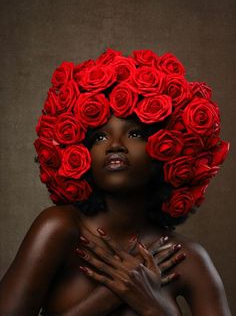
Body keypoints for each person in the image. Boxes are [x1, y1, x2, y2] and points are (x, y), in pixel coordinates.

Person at [0, 48, 232, 316]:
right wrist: (110, 296)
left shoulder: (186, 258)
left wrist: (153, 305)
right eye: (99, 137)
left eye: (135, 133)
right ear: (80, 150)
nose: (115, 146)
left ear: (168, 149)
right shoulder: (59, 229)